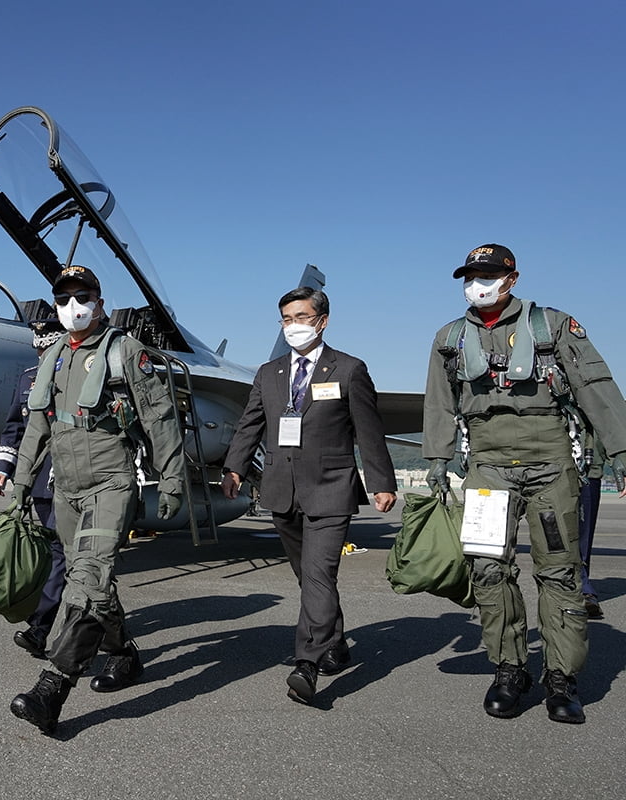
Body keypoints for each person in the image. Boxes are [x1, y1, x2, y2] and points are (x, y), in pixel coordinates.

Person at [423, 243, 626, 725]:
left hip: (551, 463)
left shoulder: (553, 327)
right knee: (489, 571)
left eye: (488, 273)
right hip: (488, 467)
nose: (478, 283)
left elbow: (596, 386)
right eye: (471, 275)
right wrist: (436, 458)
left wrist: (621, 452)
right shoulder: (449, 338)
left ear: (511, 278)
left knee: (558, 572)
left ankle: (561, 678)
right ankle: (510, 669)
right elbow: (438, 401)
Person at [7, 264, 186, 735]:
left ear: (100, 300)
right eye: (63, 299)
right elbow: (37, 428)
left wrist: (171, 479)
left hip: (110, 483)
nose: (72, 307)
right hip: (65, 488)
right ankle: (124, 655)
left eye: (81, 296)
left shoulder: (125, 352)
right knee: (96, 582)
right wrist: (21, 483)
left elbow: (161, 418)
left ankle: (52, 689)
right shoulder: (54, 359)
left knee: (84, 583)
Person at [222, 287, 397, 705]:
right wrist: (234, 468)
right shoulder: (269, 373)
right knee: (308, 577)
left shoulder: (349, 370)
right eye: (286, 319)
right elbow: (250, 425)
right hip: (281, 490)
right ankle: (333, 641)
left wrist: (382, 482)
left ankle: (307, 663)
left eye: (301, 317)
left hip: (331, 489)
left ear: (322, 320)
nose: (293, 326)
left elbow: (368, 432)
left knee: (318, 576)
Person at [0, 318, 68, 657]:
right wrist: (3, 468)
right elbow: (14, 430)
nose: (41, 352)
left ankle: (40, 627)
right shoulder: (27, 379)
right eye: (38, 347)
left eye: (46, 346)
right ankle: (110, 627)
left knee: (62, 554)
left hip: (70, 480)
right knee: (56, 554)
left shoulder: (76, 374)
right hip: (38, 482)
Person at [578, 433, 608, 620]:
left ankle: (583, 587)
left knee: (583, 533)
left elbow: (608, 419)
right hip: (541, 464)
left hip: (587, 467)